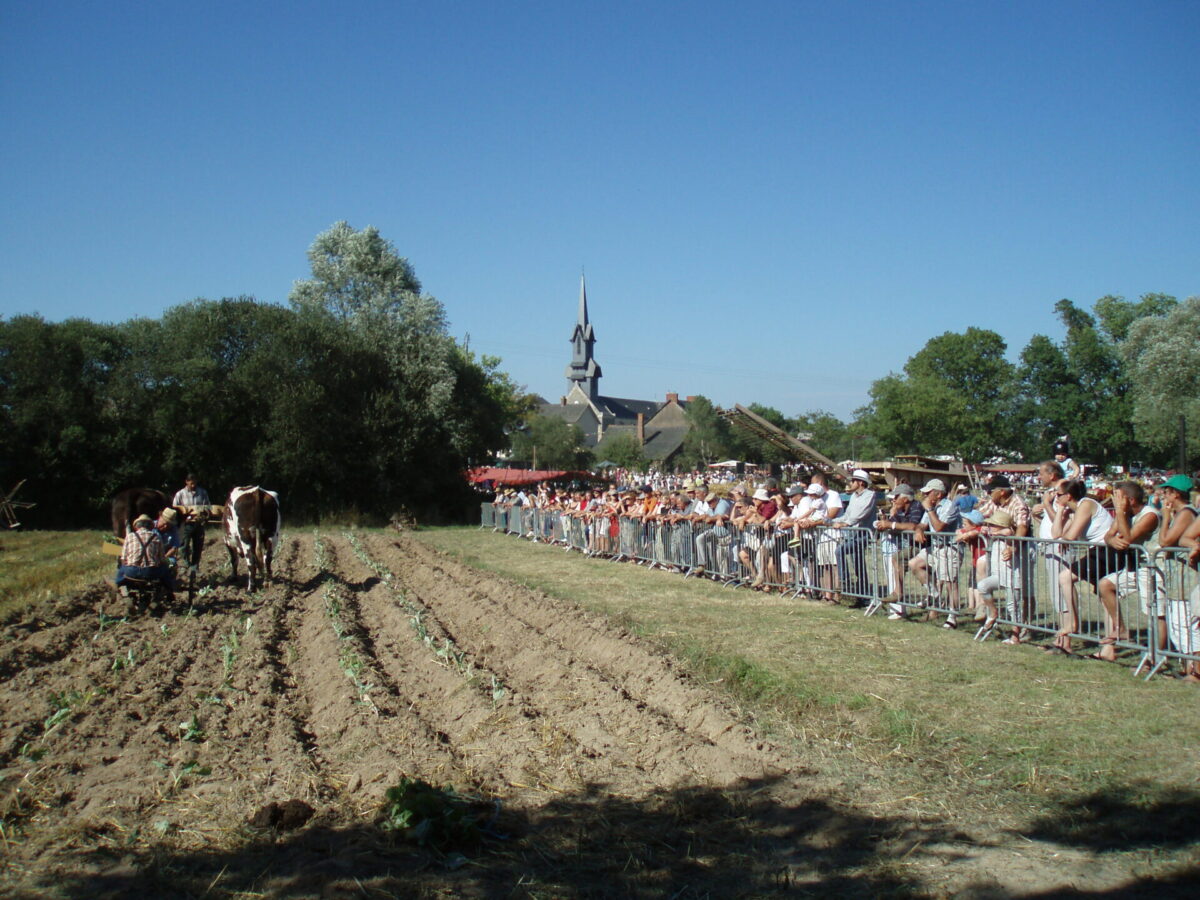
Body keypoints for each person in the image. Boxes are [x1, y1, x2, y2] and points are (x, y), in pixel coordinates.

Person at [1053, 478, 1114, 654]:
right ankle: (1109, 650)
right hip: (1099, 551)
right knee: (1105, 598)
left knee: (1065, 577)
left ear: (1068, 496)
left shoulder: (1086, 505)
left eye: (1058, 495)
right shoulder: (1076, 510)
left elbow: (1070, 536)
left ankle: (1073, 621)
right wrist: (1059, 511)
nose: (1055, 497)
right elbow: (1057, 534)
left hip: (1106, 551)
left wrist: (1065, 536)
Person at [910, 478, 962, 628]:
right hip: (935, 548)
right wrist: (919, 531)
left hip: (950, 547)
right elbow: (922, 524)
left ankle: (953, 616)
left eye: (928, 492)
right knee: (914, 564)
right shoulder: (930, 507)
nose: (925, 496)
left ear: (938, 494)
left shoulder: (949, 507)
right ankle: (934, 594)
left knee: (950, 583)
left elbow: (939, 527)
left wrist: (930, 510)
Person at [832, 469, 878, 607]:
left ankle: (845, 581)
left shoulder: (870, 495)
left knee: (840, 551)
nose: (850, 483)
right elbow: (848, 514)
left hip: (863, 534)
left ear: (860, 482)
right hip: (852, 534)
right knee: (859, 566)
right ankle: (862, 597)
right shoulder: (853, 497)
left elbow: (861, 514)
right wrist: (830, 520)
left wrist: (845, 523)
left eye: (853, 481)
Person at [116, 514, 171, 596]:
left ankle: (120, 585)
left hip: (132, 572)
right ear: (151, 527)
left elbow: (123, 558)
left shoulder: (130, 536)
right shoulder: (157, 537)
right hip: (151, 572)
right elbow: (162, 559)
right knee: (165, 569)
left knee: (121, 569)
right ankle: (169, 589)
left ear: (137, 526)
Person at [173, 474, 211, 572]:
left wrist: (205, 514)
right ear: (186, 482)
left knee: (197, 546)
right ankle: (187, 564)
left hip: (198, 523)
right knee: (183, 546)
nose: (193, 485)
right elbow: (175, 508)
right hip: (186, 524)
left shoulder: (202, 493)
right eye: (191, 483)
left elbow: (208, 506)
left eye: (194, 482)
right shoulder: (180, 494)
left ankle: (194, 567)